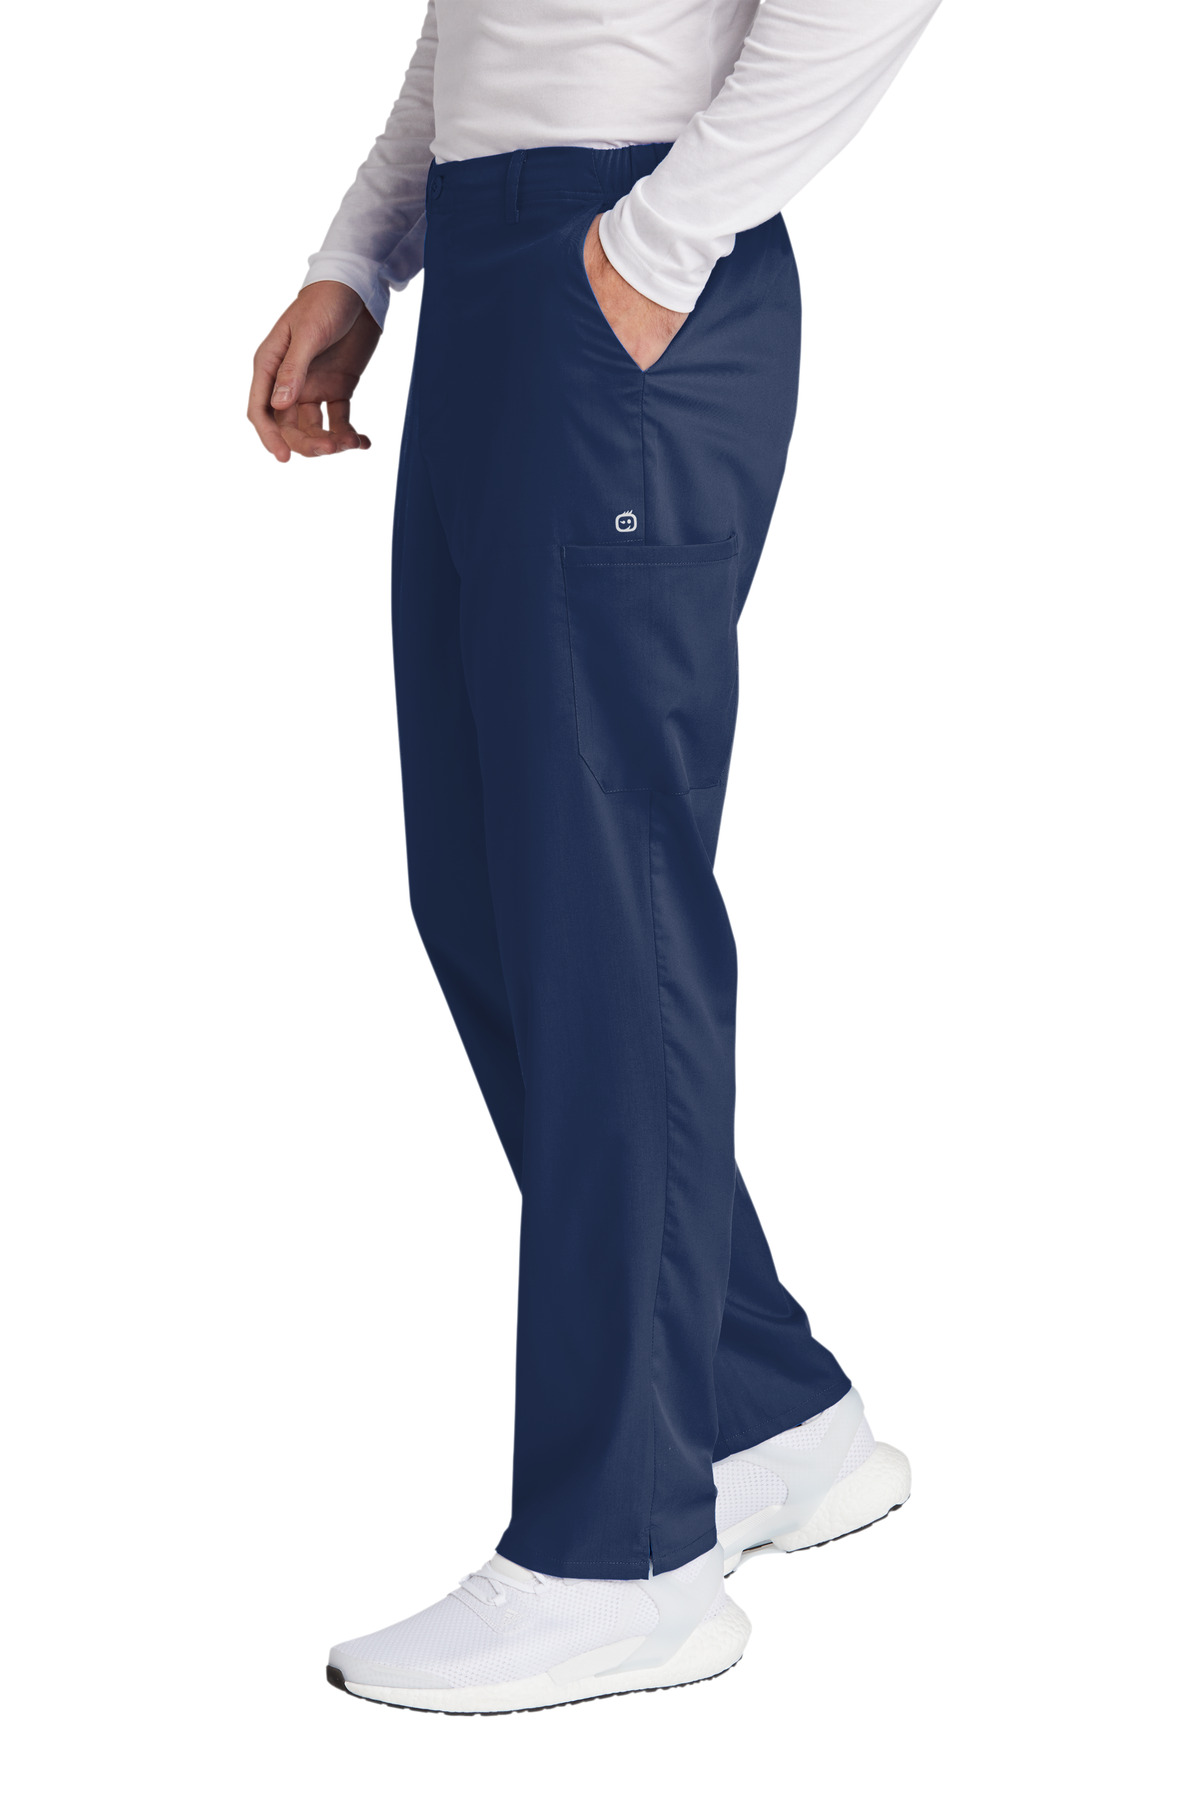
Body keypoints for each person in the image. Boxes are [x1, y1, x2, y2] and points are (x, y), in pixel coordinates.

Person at [249, 0, 940, 1716]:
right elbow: (473, 27)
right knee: (487, 893)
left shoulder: (647, 249)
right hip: (500, 275)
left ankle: (620, 1559)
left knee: (596, 905)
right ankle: (761, 1407)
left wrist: (657, 243)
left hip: (628, 267)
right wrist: (363, 254)